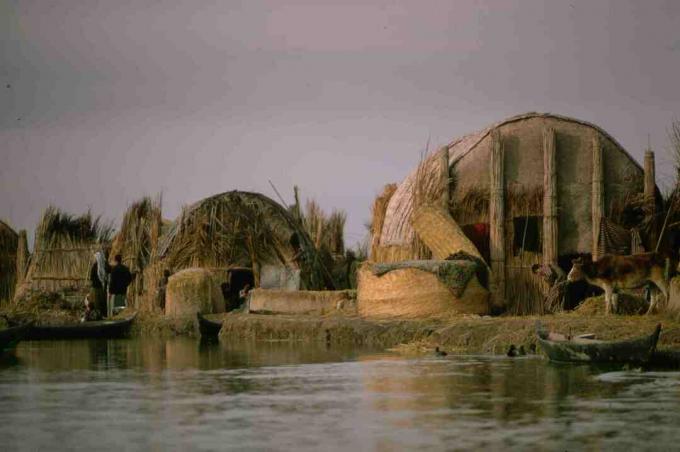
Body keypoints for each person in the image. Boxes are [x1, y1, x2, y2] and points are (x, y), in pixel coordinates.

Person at [89, 251, 110, 317]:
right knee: (100, 303)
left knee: (97, 303)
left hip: (96, 288)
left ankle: (98, 315)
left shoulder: (96, 266)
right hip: (99, 287)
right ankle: (100, 315)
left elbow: (91, 277)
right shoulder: (103, 265)